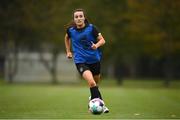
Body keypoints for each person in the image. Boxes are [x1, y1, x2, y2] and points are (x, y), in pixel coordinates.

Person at [64, 8, 109, 113]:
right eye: (76, 17)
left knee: (95, 84)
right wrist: (68, 51)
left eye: (81, 16)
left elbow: (103, 40)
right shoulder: (70, 30)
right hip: (81, 61)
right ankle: (99, 105)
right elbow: (66, 38)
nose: (79, 18)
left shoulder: (92, 28)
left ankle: (92, 97)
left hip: (94, 60)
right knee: (92, 83)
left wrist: (96, 45)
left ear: (84, 18)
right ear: (74, 19)